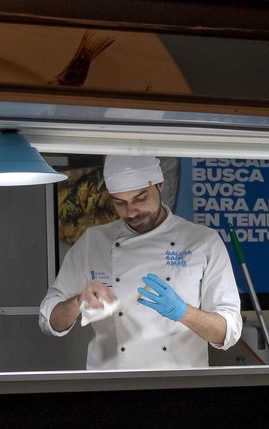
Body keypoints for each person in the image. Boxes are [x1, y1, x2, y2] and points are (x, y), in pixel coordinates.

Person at [38, 155, 243, 369]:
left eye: (140, 198)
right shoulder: (93, 242)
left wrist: (183, 312)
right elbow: (48, 321)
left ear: (160, 185)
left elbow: (229, 332)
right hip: (112, 385)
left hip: (179, 386)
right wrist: (78, 301)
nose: (131, 211)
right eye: (120, 203)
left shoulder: (203, 241)